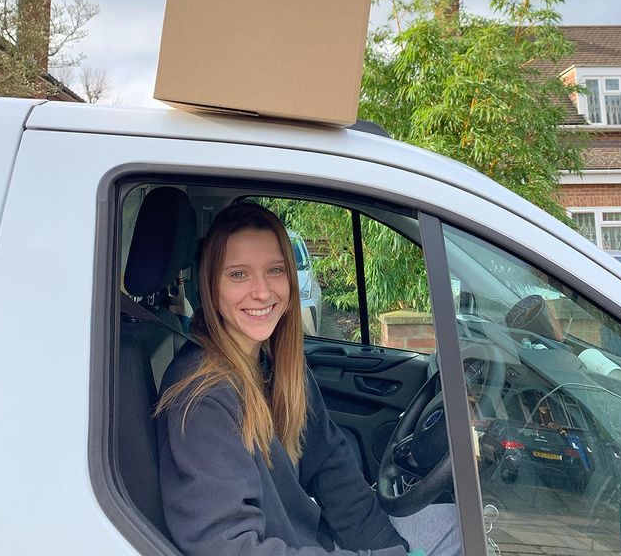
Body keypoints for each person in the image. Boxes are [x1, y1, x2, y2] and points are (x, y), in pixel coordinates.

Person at [156, 202, 461, 556]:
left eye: (275, 270)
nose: (263, 292)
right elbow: (230, 546)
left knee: (456, 524)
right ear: (211, 285)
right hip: (287, 546)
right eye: (238, 274)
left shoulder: (279, 365)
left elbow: (330, 464)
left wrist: (390, 547)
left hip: (309, 538)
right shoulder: (201, 397)